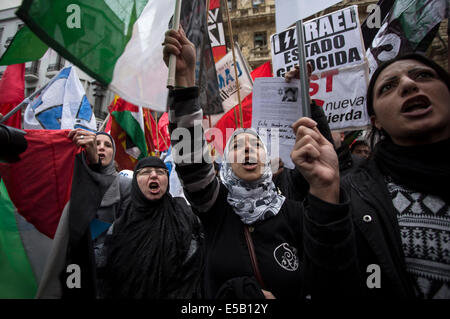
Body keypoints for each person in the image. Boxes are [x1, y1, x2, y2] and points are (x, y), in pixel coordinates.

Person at [163, 27, 350, 299]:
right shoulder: (215, 206)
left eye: (256, 145)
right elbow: (189, 155)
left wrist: (304, 102)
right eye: (237, 146)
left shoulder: (293, 211)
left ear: (269, 159)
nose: (248, 150)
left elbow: (329, 273)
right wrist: (184, 78)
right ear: (225, 163)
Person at [306, 53, 450, 298]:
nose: (408, 84)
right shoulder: (350, 194)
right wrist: (325, 194)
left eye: (423, 75)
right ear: (376, 121)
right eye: (388, 87)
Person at [98, 156, 204, 299]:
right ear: (135, 181)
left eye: (160, 172)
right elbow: (107, 272)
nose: (154, 175)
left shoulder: (185, 216)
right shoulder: (120, 225)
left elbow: (194, 268)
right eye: (146, 172)